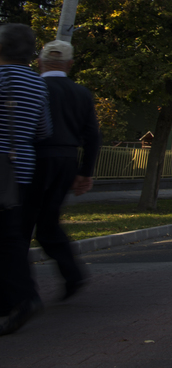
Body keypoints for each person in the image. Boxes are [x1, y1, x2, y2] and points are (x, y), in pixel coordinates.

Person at [22, 40, 101, 303]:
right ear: (69, 64)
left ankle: (21, 291)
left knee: (20, 224)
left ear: (39, 62)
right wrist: (84, 172)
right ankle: (72, 273)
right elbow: (92, 136)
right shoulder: (81, 93)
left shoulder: (34, 87)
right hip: (66, 161)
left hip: (34, 158)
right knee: (48, 221)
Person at [0, 24, 51, 336]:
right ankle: (18, 296)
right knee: (11, 236)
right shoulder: (37, 84)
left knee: (6, 239)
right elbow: (43, 130)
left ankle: (20, 297)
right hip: (22, 169)